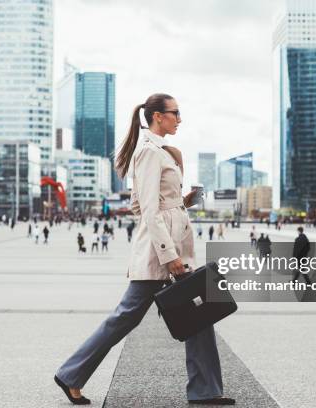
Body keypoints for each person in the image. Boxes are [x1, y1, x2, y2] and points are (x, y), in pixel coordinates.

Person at [54, 94, 234, 406]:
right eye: (175, 113)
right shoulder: (150, 152)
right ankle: (71, 374)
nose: (180, 118)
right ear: (157, 117)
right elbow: (148, 211)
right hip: (160, 253)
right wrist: (170, 255)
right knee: (125, 318)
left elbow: (140, 203)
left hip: (174, 248)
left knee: (199, 316)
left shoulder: (160, 151)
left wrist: (182, 200)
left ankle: (206, 391)